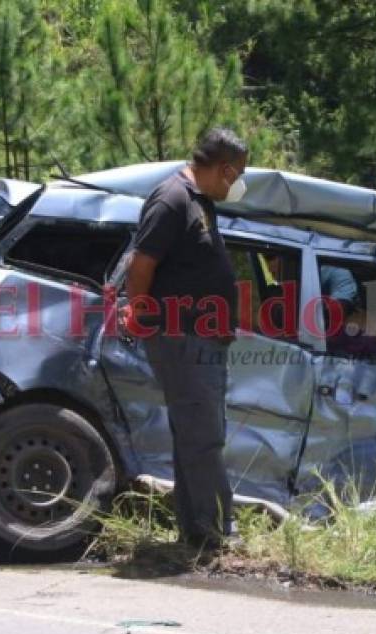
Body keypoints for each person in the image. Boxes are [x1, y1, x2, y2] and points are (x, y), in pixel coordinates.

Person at [121, 128, 248, 550]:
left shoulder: (199, 202)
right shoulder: (172, 198)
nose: (237, 183)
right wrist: (140, 314)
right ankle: (214, 535)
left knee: (196, 437)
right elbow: (141, 263)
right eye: (238, 174)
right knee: (204, 436)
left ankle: (197, 532)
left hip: (201, 340)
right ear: (225, 169)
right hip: (182, 338)